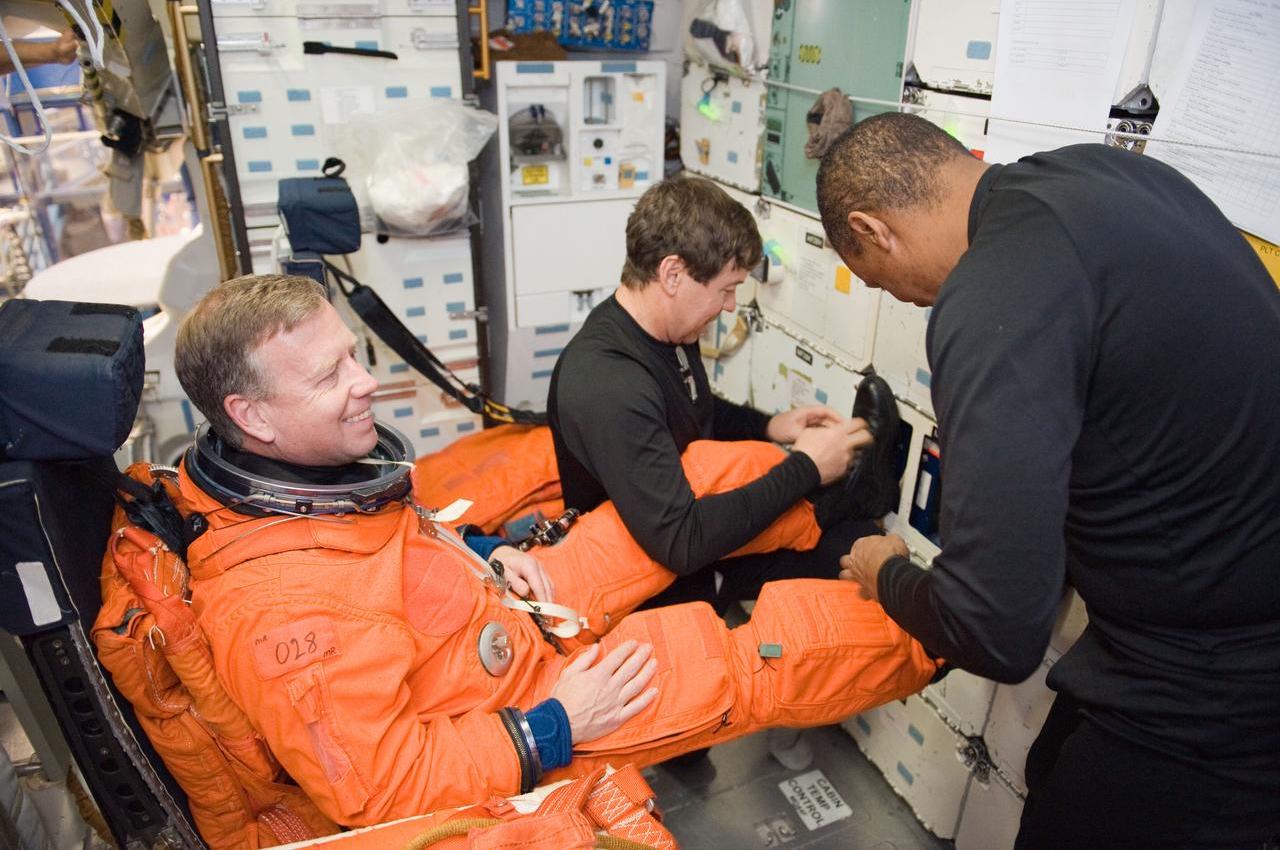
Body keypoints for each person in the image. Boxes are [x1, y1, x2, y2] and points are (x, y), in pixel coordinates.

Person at [171, 273, 941, 827]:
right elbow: (382, 789)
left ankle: (847, 490)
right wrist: (554, 724)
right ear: (252, 416)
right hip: (524, 706)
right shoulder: (280, 614)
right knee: (739, 659)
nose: (365, 382)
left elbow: (389, 556)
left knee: (688, 480)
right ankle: (941, 619)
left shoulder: (309, 487)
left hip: (500, 605)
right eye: (329, 374)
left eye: (351, 355)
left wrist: (479, 551)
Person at [816, 113, 1280, 849]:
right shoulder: (1099, 176)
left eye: (891, 287)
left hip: (1216, 688)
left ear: (872, 230)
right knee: (1052, 760)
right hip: (1206, 606)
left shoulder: (992, 293)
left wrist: (888, 572)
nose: (912, 301)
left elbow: (994, 630)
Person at [547, 175, 901, 616]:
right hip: (658, 584)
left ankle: (856, 493)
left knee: (856, 542)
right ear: (672, 274)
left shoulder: (666, 327)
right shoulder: (607, 383)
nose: (731, 305)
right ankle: (853, 489)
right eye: (727, 289)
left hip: (689, 532)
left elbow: (692, 409)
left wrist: (769, 425)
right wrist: (806, 467)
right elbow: (681, 543)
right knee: (843, 562)